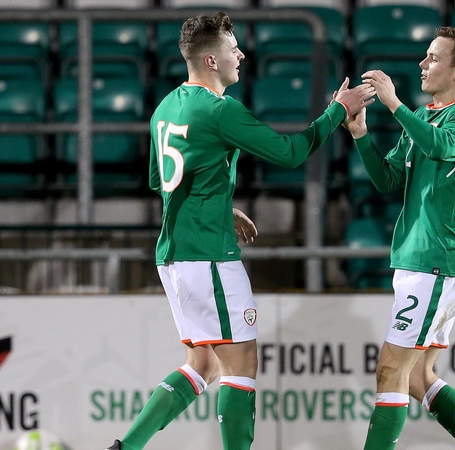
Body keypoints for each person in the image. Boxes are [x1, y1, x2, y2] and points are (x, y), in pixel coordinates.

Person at [105, 11, 375, 450]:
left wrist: (219, 203)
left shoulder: (165, 106)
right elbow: (290, 153)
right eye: (233, 48)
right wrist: (336, 112)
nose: (241, 54)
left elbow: (161, 181)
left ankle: (125, 447)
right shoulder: (218, 110)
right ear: (212, 60)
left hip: (172, 253)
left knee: (202, 363)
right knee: (240, 365)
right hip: (208, 253)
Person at [343, 27, 455, 450]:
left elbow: (441, 148)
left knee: (390, 370)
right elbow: (388, 179)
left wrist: (392, 104)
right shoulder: (424, 115)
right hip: (422, 261)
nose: (422, 64)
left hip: (438, 262)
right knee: (416, 376)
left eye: (433, 57)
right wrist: (360, 135)